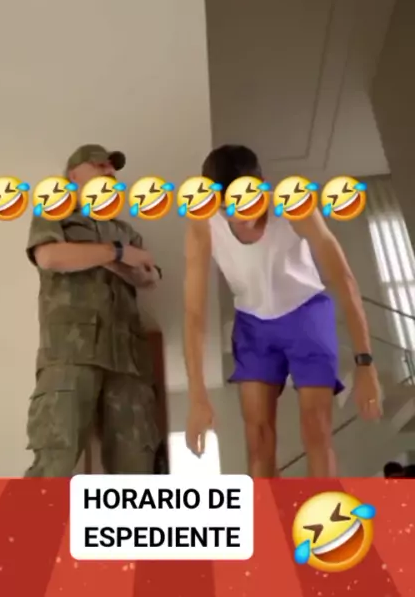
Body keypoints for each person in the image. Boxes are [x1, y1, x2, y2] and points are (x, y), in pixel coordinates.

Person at [183, 144, 382, 478]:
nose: (241, 216)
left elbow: (343, 279)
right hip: (252, 324)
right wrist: (197, 395)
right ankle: (266, 512)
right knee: (258, 439)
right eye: (229, 208)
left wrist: (365, 363)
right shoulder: (202, 223)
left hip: (306, 314)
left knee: (316, 429)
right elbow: (193, 313)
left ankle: (324, 509)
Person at [24, 144, 162, 477]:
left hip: (128, 360)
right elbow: (50, 257)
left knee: (136, 468)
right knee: (54, 462)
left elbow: (149, 276)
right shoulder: (54, 211)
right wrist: (117, 254)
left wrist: (101, 256)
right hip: (70, 353)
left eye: (112, 168)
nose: (109, 172)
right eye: (99, 165)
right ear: (74, 175)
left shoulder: (126, 231)